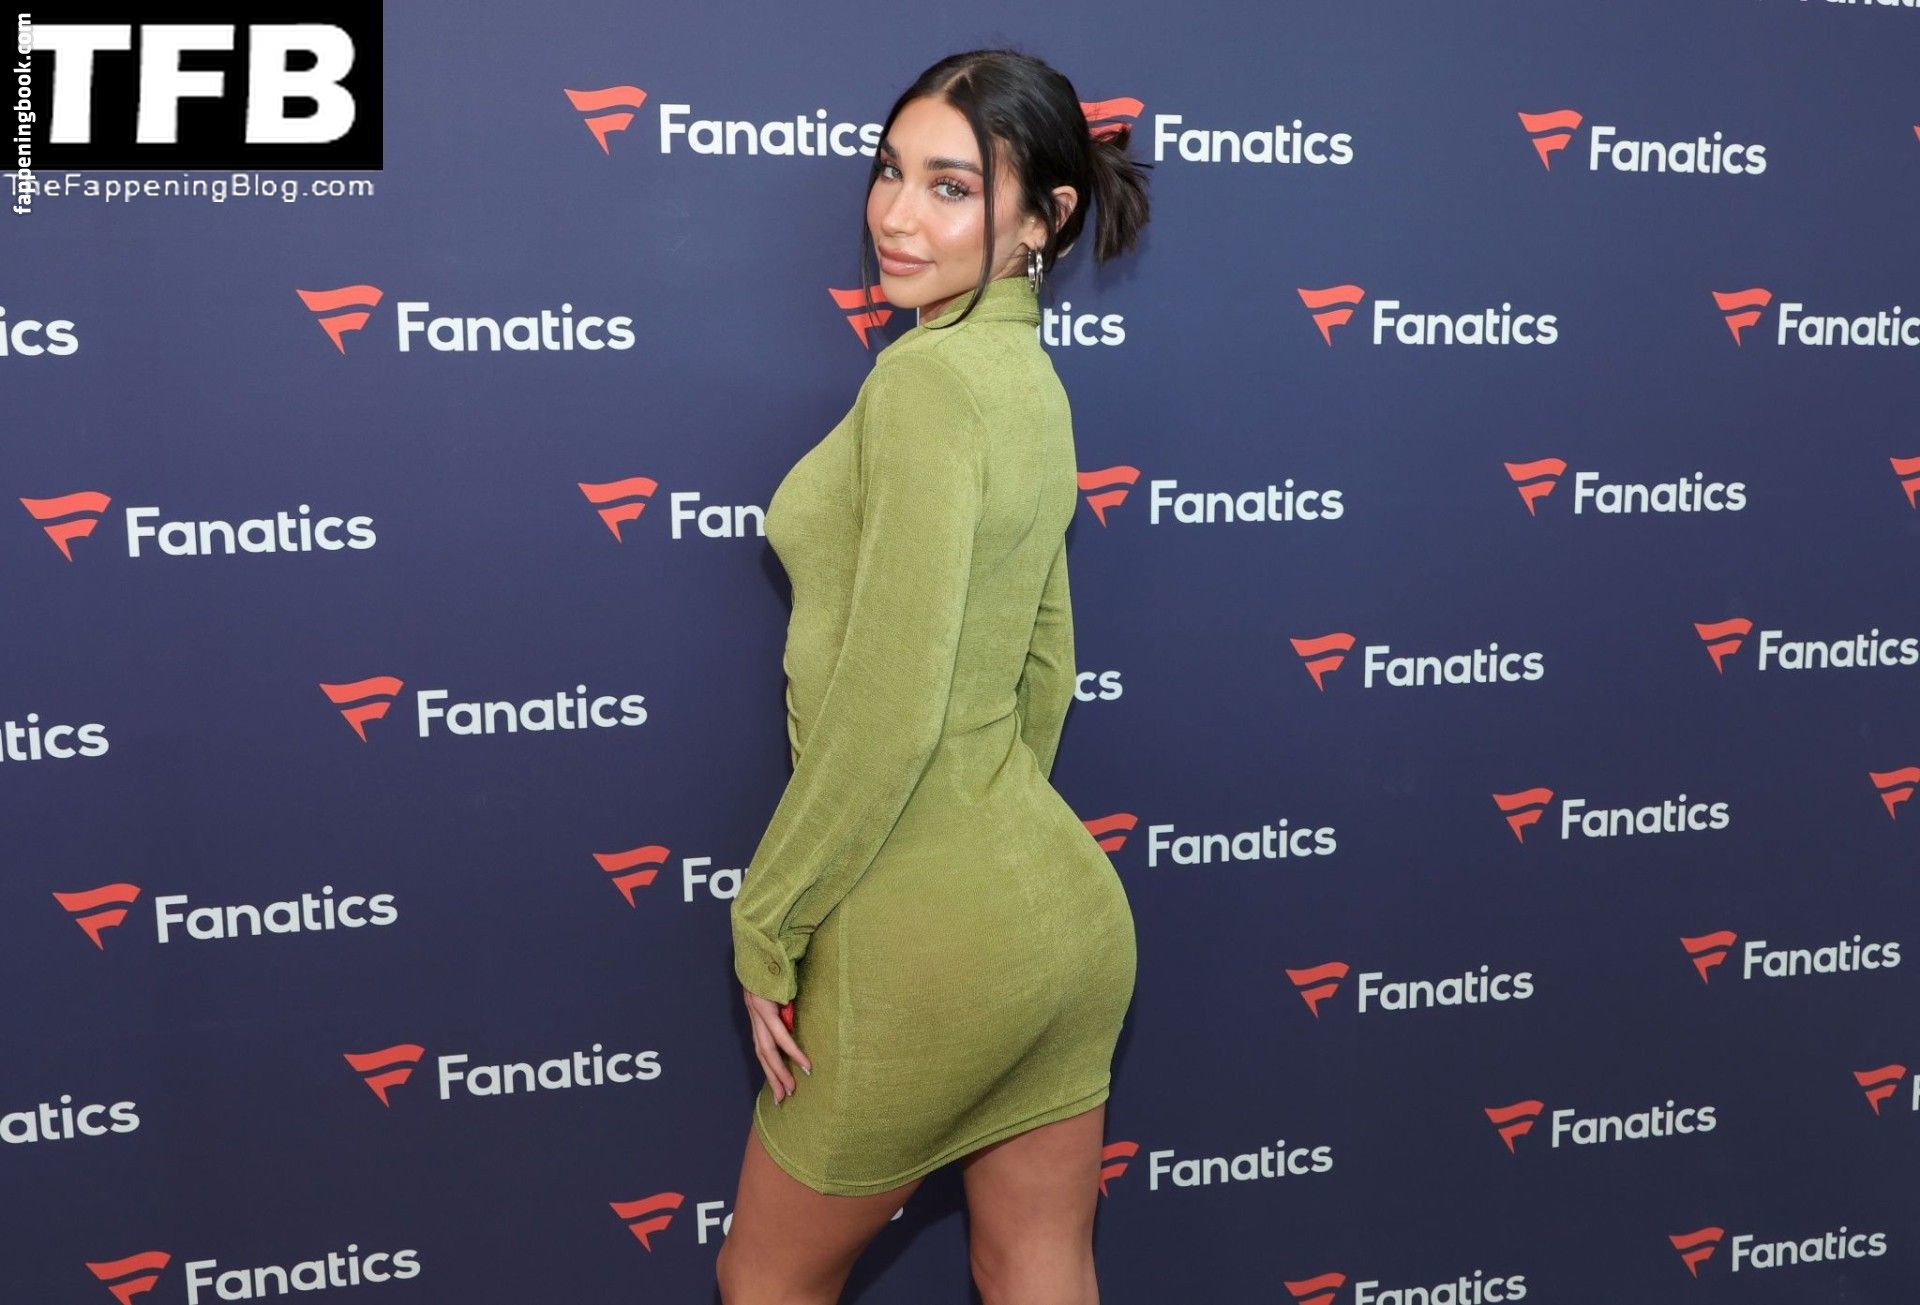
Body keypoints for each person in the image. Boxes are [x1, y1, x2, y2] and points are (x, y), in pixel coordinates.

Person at [716, 47, 1152, 1305]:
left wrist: (768, 923)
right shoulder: (1028, 375)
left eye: (952, 187)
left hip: (923, 945)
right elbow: (1047, 662)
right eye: (890, 172)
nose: (897, 216)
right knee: (1038, 1264)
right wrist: (988, 831)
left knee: (764, 1282)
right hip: (1061, 921)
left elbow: (888, 706)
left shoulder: (923, 385)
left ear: (1042, 220)